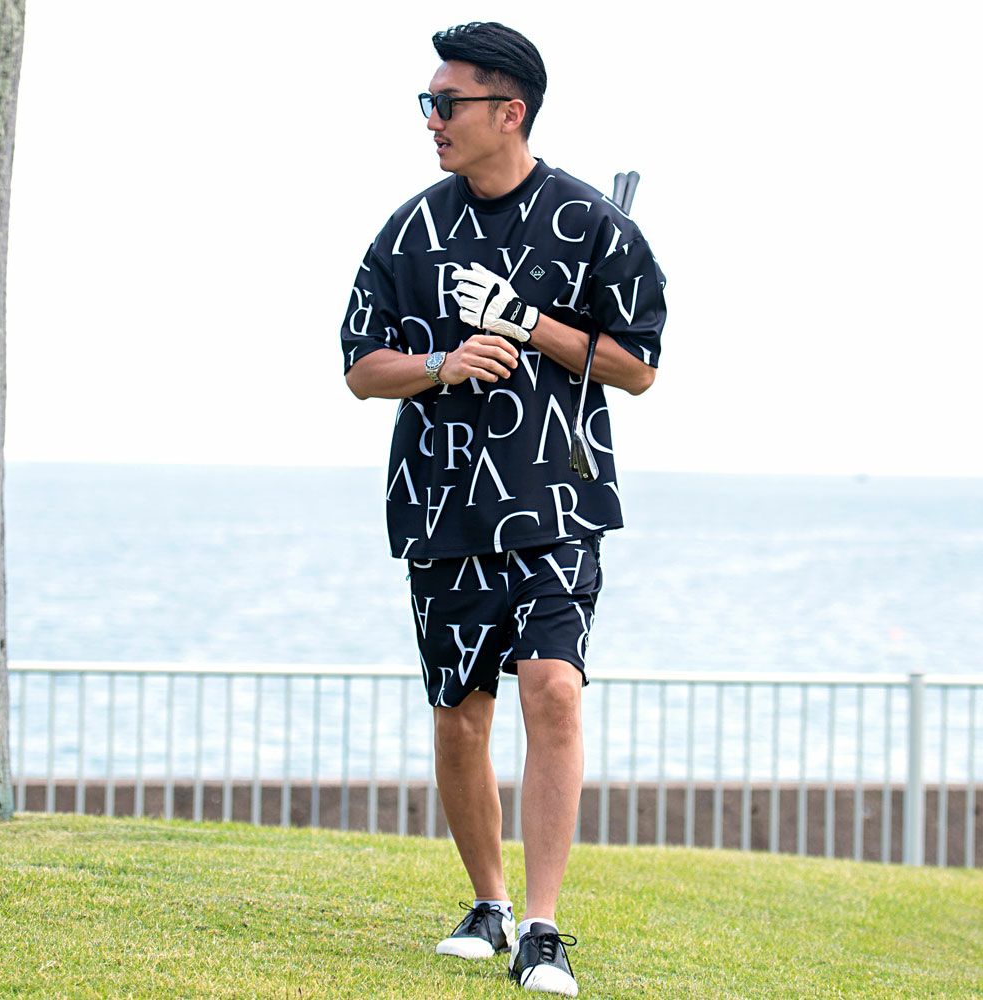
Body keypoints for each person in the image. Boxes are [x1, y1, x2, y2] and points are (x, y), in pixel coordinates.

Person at [339, 21, 666, 997]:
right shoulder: (408, 231)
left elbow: (636, 367)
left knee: (553, 688)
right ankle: (487, 902)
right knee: (459, 719)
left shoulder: (593, 224)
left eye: (447, 104)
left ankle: (542, 926)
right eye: (428, 103)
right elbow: (360, 368)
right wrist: (443, 361)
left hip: (557, 499)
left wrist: (525, 322)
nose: (431, 120)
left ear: (508, 111)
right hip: (441, 506)